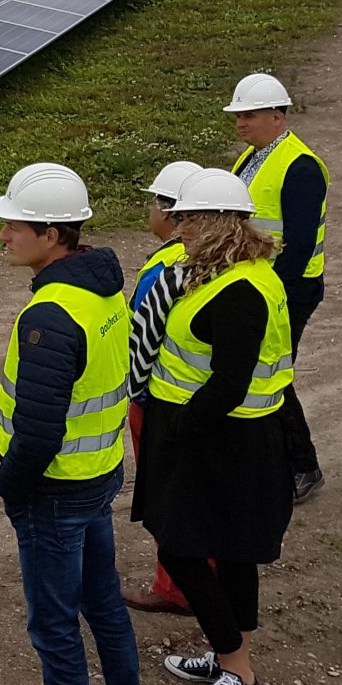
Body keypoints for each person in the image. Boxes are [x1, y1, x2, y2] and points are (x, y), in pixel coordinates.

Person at [0, 163, 142, 685]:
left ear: (53, 235)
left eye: (14, 226)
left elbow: (39, 431)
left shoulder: (50, 315)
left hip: (53, 493)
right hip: (98, 476)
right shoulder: (103, 291)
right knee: (104, 608)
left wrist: (10, 488)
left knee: (56, 632)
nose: (2, 237)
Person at [133, 168, 295, 685]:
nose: (178, 229)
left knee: (181, 548)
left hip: (222, 441)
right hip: (230, 440)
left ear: (216, 223)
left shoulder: (241, 292)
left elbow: (227, 383)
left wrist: (178, 428)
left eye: (187, 220)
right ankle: (232, 653)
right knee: (230, 553)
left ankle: (239, 673)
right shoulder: (238, 272)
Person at [225, 71, 328, 503]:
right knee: (262, 371)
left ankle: (302, 467)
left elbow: (300, 244)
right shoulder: (253, 158)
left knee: (272, 375)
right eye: (238, 115)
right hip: (259, 285)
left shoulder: (300, 166)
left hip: (289, 290)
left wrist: (274, 298)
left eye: (249, 115)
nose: (240, 123)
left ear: (277, 116)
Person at [120, 161, 199, 615]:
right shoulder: (215, 259)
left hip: (158, 401)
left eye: (154, 201)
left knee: (165, 496)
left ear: (171, 214)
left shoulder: (165, 266)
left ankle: (175, 588)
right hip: (191, 399)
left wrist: (134, 392)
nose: (149, 210)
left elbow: (142, 340)